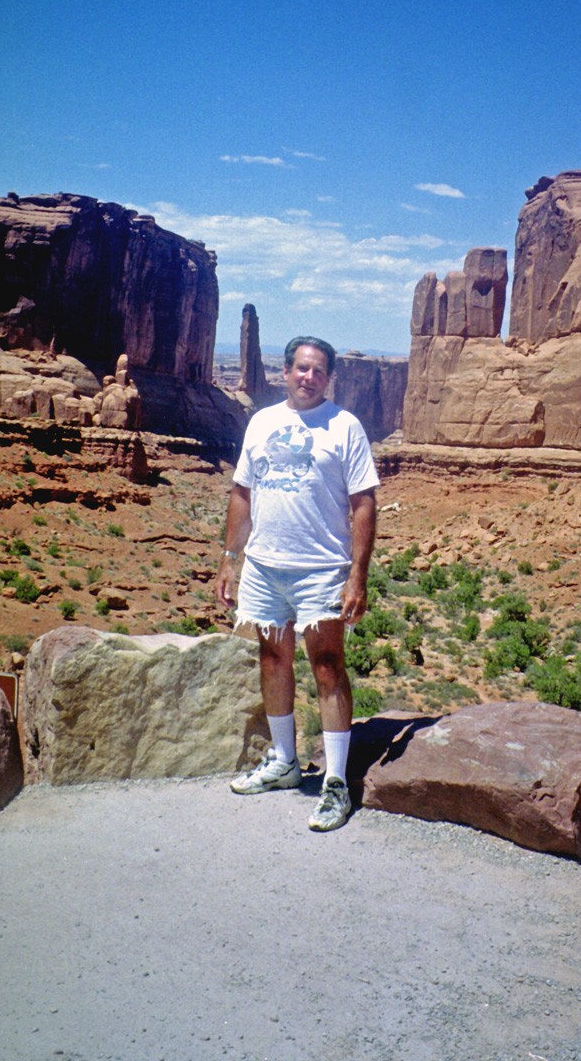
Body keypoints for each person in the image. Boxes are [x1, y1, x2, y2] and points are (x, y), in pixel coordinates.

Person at [215, 335, 378, 832]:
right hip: (265, 566)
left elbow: (364, 504)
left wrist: (358, 574)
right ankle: (284, 761)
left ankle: (335, 783)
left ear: (327, 378)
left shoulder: (345, 426)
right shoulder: (262, 422)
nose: (309, 377)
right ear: (285, 371)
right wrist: (229, 559)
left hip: (322, 569)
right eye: (302, 368)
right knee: (273, 659)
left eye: (319, 371)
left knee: (327, 666)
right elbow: (242, 493)